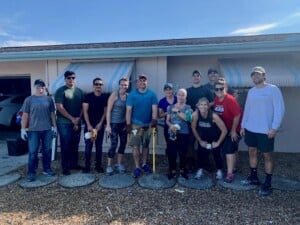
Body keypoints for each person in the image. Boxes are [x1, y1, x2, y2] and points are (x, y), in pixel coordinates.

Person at [240, 66, 285, 196]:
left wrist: (274, 127)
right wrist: (243, 125)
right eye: (253, 75)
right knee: (252, 152)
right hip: (250, 129)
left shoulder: (273, 89)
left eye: (258, 74)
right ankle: (254, 177)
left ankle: (268, 183)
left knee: (267, 156)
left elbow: (280, 109)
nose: (255, 77)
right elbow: (247, 110)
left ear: (264, 76)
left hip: (266, 131)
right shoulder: (251, 92)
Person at [21, 79, 57, 182]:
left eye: (42, 86)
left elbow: (52, 113)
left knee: (47, 151)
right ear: (34, 87)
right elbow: (25, 115)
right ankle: (31, 172)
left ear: (44, 87)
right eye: (38, 86)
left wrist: (54, 126)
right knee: (33, 152)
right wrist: (23, 129)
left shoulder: (49, 99)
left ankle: (47, 169)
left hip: (47, 130)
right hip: (33, 131)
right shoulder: (29, 100)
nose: (40, 88)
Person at [126, 74, 158, 178]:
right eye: (140, 80)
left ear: (146, 82)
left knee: (145, 145)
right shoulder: (132, 95)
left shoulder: (152, 94)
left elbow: (154, 109)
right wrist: (128, 124)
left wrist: (154, 121)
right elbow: (129, 110)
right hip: (135, 125)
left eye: (144, 80)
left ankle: (144, 164)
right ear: (137, 82)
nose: (142, 82)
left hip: (148, 124)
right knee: (136, 146)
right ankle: (137, 166)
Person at [55, 70, 84, 175]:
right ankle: (65, 167)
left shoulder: (79, 91)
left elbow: (83, 107)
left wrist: (78, 119)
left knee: (75, 144)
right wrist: (72, 118)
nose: (71, 80)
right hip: (64, 123)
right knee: (65, 145)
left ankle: (73, 164)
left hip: (77, 122)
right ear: (65, 79)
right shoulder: (60, 91)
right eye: (69, 78)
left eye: (73, 78)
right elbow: (59, 107)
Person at [213, 78, 242, 183]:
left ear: (225, 88)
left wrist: (234, 131)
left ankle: (230, 174)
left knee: (229, 148)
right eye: (217, 89)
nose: (219, 91)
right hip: (224, 129)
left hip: (234, 129)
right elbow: (214, 105)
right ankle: (233, 167)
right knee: (232, 149)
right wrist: (204, 106)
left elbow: (237, 115)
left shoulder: (230, 100)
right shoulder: (217, 99)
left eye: (221, 89)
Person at [191, 97, 227, 180]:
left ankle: (219, 170)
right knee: (201, 152)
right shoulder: (196, 115)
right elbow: (193, 128)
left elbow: (224, 130)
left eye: (205, 105)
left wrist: (218, 142)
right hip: (204, 137)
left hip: (215, 137)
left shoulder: (214, 116)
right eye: (201, 105)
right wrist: (200, 141)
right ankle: (200, 170)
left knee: (216, 153)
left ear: (208, 106)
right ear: (198, 106)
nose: (203, 107)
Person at [186, 70, 214, 172]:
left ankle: (205, 163)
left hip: (203, 120)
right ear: (192, 78)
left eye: (198, 76)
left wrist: (203, 108)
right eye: (194, 76)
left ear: (200, 78)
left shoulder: (206, 90)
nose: (196, 77)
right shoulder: (187, 91)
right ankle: (191, 162)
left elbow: (212, 102)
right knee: (190, 142)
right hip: (191, 120)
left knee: (204, 141)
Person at [82, 77, 108, 173]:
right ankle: (87, 166)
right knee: (88, 147)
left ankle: (98, 166)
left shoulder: (105, 97)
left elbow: (105, 112)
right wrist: (88, 125)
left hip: (99, 126)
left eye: (100, 84)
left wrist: (101, 123)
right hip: (89, 126)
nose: (98, 86)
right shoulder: (88, 97)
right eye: (96, 84)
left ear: (102, 86)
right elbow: (85, 112)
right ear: (93, 86)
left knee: (99, 147)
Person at [165, 88, 192, 179]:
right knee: (172, 152)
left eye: (183, 95)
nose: (181, 96)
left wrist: (179, 111)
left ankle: (182, 169)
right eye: (179, 95)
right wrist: (171, 126)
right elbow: (167, 121)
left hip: (184, 133)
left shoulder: (188, 107)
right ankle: (172, 170)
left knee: (183, 153)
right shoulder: (170, 107)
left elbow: (188, 119)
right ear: (176, 96)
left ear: (186, 96)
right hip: (173, 132)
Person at [105, 77, 129, 175]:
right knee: (114, 144)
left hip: (123, 123)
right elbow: (108, 111)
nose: (124, 86)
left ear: (128, 86)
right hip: (114, 123)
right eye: (122, 84)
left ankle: (119, 164)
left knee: (123, 143)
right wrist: (108, 125)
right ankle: (109, 165)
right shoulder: (114, 95)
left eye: (126, 85)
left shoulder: (128, 96)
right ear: (119, 85)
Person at [158, 83, 177, 156]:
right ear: (164, 91)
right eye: (166, 90)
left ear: (172, 90)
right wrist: (168, 111)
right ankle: (170, 162)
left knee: (177, 144)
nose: (168, 91)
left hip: (178, 125)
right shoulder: (162, 101)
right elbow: (159, 115)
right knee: (169, 144)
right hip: (168, 126)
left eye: (170, 89)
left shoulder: (177, 99)